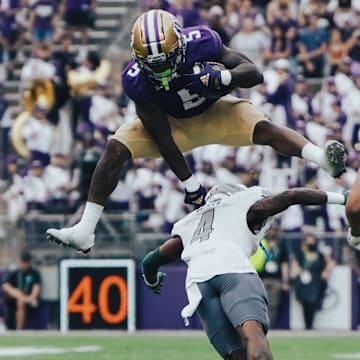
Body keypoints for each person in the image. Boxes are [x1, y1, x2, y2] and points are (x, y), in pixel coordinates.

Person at [46, 9, 346, 254]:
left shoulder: (202, 41)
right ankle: (85, 230)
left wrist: (222, 77)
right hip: (172, 125)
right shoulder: (135, 79)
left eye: (165, 59)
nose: (161, 69)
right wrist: (190, 185)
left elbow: (254, 73)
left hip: (215, 112)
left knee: (264, 128)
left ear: (179, 44)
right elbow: (162, 136)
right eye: (153, 64)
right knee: (115, 148)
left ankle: (322, 158)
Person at [141, 183, 347, 360]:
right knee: (254, 338)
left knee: (235, 354)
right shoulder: (242, 205)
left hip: (199, 283)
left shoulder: (191, 222)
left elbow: (150, 261)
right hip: (232, 268)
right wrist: (342, 198)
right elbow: (290, 195)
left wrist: (152, 280)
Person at [290, 233, 336, 330]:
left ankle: (310, 325)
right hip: (303, 282)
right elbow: (295, 264)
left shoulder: (319, 254)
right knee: (305, 304)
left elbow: (329, 264)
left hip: (315, 282)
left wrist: (326, 271)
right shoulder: (301, 253)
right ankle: (307, 326)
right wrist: (298, 271)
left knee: (313, 303)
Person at [1, 250, 41, 330]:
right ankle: (21, 297)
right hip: (14, 299)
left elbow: (36, 290)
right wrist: (19, 295)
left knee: (21, 302)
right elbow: (6, 286)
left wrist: (28, 299)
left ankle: (19, 330)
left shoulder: (34, 273)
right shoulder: (15, 273)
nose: (24, 264)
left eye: (26, 262)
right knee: (12, 291)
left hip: (29, 301)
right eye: (23, 262)